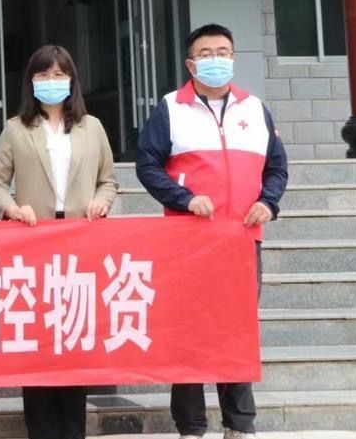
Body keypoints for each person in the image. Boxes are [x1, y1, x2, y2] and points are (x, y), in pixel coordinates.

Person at [136, 23, 287, 439]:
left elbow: (277, 167)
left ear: (234, 59)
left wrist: (268, 202)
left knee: (236, 331)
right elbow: (147, 165)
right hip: (189, 241)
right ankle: (191, 426)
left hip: (241, 239)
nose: (215, 59)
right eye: (206, 54)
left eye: (223, 52)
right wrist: (183, 198)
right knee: (188, 331)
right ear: (191, 64)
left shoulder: (255, 109)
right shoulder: (171, 108)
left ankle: (239, 425)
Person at [0, 45, 118, 439]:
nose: (51, 82)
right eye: (43, 75)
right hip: (33, 246)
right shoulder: (16, 128)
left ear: (72, 80)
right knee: (38, 342)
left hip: (79, 246)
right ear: (31, 81)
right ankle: (40, 429)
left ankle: (72, 429)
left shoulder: (92, 127)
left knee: (74, 336)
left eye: (59, 75)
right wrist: (13, 208)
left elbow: (108, 180)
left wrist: (101, 202)